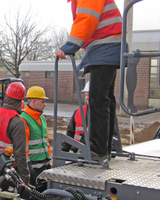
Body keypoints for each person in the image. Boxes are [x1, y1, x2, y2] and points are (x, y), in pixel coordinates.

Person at [56, 0, 122, 161]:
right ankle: (104, 148)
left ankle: (97, 150)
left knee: (98, 99)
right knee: (105, 98)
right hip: (107, 45)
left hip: (105, 45)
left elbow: (87, 18)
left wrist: (70, 46)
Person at [0, 82, 30, 185]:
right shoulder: (17, 121)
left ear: (6, 97)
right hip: (8, 172)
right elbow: (20, 155)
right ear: (21, 100)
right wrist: (25, 179)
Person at [21, 86, 51, 188]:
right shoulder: (24, 119)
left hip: (44, 165)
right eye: (42, 102)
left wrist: (48, 160)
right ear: (33, 101)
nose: (45, 104)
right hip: (34, 167)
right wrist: (28, 167)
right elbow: (23, 147)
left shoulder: (42, 118)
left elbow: (45, 141)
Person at [62, 81, 90, 153]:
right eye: (86, 95)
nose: (87, 98)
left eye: (90, 95)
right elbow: (70, 133)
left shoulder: (104, 114)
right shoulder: (79, 112)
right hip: (77, 152)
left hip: (94, 154)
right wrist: (64, 151)